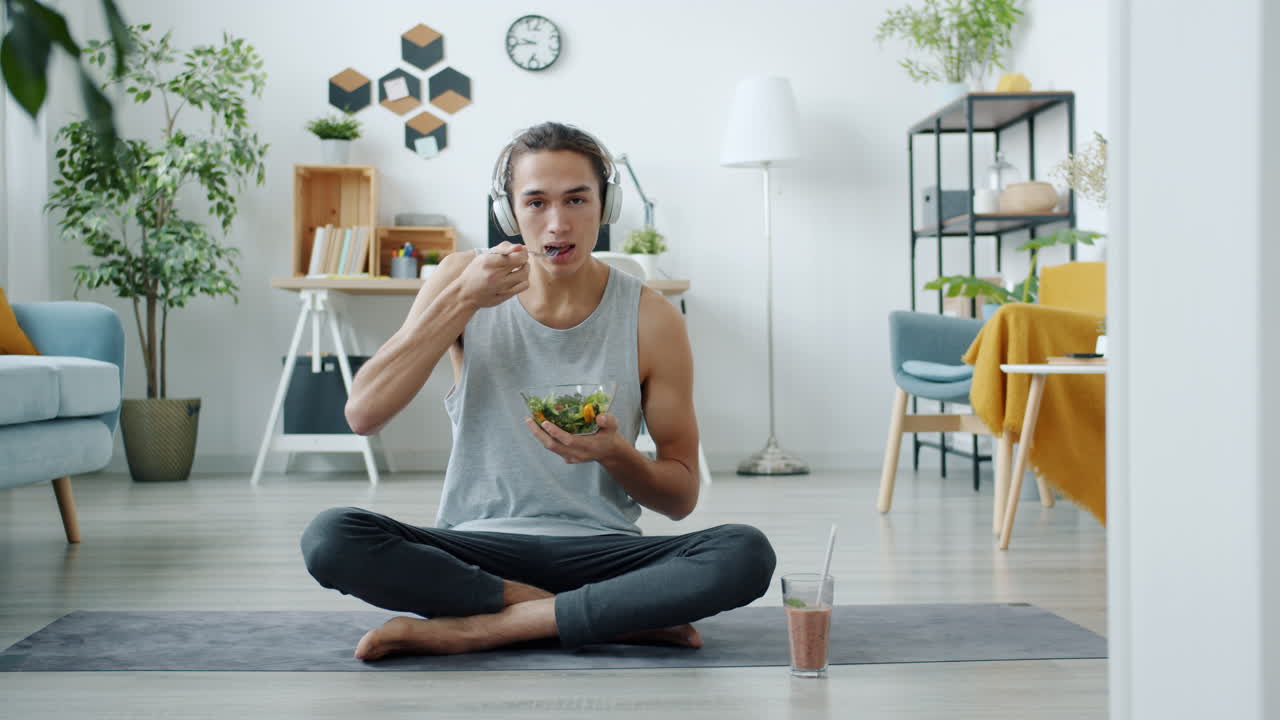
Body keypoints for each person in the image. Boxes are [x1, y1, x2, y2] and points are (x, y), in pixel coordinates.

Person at [300, 122, 776, 660]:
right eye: (536, 203)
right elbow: (363, 413)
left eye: (577, 199)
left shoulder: (652, 318)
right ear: (508, 213)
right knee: (330, 536)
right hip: (476, 549)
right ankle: (597, 613)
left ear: (606, 205)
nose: (558, 223)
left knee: (744, 553)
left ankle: (484, 628)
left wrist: (618, 454)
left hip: (602, 550)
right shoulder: (461, 278)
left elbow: (681, 498)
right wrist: (461, 302)